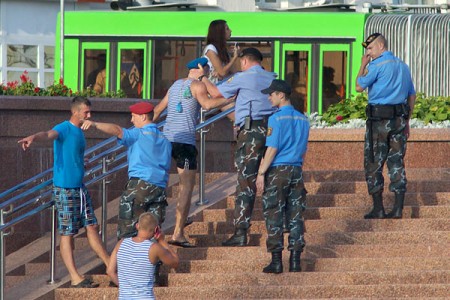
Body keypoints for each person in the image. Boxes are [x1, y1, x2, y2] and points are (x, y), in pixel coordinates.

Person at [18, 96, 110, 288]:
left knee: (92, 226)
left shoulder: (80, 132)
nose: (89, 116)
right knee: (67, 233)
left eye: (89, 112)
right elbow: (48, 134)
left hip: (79, 187)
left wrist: (82, 163)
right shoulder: (64, 128)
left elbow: (73, 155)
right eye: (86, 112)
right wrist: (33, 137)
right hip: (65, 189)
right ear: (75, 112)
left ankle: (111, 266)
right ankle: (75, 277)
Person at [192, 47, 277, 247]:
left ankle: (241, 232)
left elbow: (214, 92)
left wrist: (203, 77)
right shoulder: (272, 77)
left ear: (245, 61)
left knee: (246, 182)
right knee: (270, 181)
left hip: (250, 133)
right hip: (272, 131)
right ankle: (275, 229)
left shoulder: (243, 77)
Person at [153, 57, 233, 248]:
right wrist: (231, 99)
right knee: (186, 188)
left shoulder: (174, 86)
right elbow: (207, 105)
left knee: (161, 184)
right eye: (207, 69)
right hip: (185, 143)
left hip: (166, 140)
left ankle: (164, 225)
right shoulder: (198, 86)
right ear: (201, 68)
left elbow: (156, 111)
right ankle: (178, 233)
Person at [80, 102, 172, 239]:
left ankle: (124, 259)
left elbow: (117, 130)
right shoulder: (164, 139)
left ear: (143, 117)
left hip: (139, 186)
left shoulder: (138, 133)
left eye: (133, 116)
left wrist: (95, 124)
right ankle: (152, 259)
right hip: (159, 188)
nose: (131, 120)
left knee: (128, 233)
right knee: (153, 234)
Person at [356, 33, 416, 219]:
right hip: (399, 120)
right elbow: (411, 95)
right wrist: (407, 120)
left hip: (378, 122)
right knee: (396, 162)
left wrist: (362, 65)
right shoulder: (403, 66)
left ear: (381, 46)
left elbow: (359, 86)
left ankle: (378, 208)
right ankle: (398, 208)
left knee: (373, 162)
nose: (368, 53)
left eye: (370, 48)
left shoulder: (376, 65)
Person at [256, 79, 310, 274]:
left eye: (271, 94)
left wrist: (261, 172)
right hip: (296, 169)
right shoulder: (304, 119)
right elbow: (304, 149)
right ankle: (295, 260)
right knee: (296, 215)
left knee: (274, 213)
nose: (269, 97)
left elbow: (273, 148)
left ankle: (276, 261)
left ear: (281, 95)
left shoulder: (276, 119)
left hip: (278, 170)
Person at [107, 212, 179, 299]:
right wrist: (162, 241)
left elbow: (110, 271)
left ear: (137, 226)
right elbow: (175, 263)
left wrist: (124, 287)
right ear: (156, 229)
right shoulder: (154, 248)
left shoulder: (121, 243)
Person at [203, 19, 239, 84]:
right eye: (227, 29)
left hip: (224, 85)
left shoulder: (223, 50)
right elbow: (222, 72)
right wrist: (234, 58)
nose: (230, 30)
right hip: (212, 87)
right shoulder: (211, 49)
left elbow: (234, 71)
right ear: (220, 32)